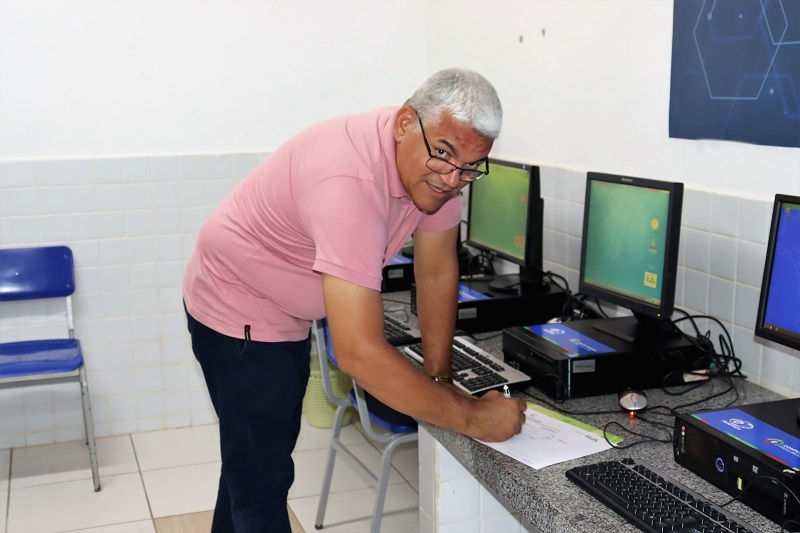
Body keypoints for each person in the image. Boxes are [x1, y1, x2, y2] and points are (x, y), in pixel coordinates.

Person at [183, 67, 528, 532]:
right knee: (261, 475)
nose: (453, 178)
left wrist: (439, 377)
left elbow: (436, 268)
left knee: (252, 462)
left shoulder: (437, 160)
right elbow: (357, 352)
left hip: (283, 305)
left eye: (470, 166)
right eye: (444, 155)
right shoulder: (348, 181)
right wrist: (472, 417)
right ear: (406, 122)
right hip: (238, 305)